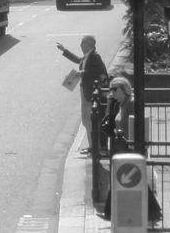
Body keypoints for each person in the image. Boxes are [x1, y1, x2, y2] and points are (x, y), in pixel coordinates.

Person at [99, 76, 162, 222]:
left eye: (115, 89)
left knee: (125, 178)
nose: (112, 92)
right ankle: (111, 211)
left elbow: (137, 125)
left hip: (129, 147)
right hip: (122, 146)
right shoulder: (120, 104)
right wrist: (110, 105)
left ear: (125, 89)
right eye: (110, 89)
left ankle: (152, 211)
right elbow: (110, 122)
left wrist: (135, 145)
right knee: (124, 178)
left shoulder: (131, 103)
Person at [57, 35, 108, 153]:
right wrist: (64, 50)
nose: (80, 45)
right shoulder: (87, 56)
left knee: (88, 120)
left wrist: (82, 73)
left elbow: (97, 71)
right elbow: (77, 59)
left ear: (89, 44)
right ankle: (93, 146)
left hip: (91, 93)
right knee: (87, 120)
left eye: (82, 42)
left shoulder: (95, 56)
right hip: (86, 91)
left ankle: (94, 147)